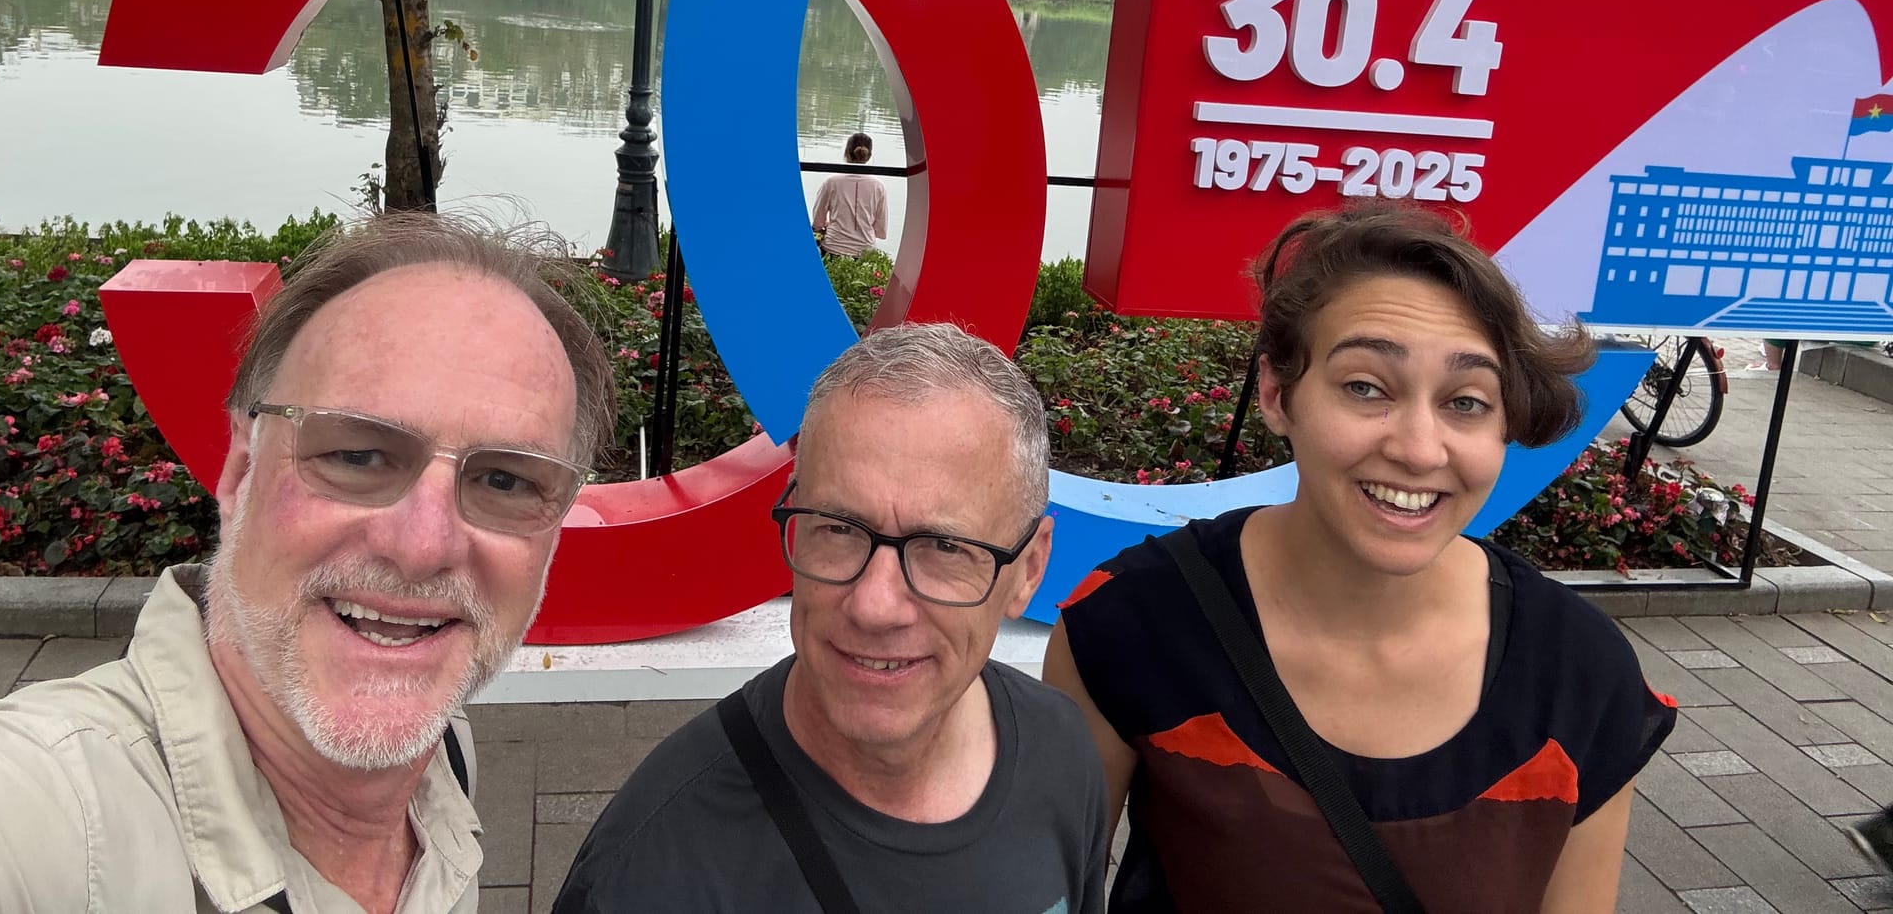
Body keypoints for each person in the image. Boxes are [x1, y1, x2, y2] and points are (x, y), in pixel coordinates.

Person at [0, 213, 615, 914]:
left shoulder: (444, 756)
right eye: (357, 455)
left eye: (505, 481)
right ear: (241, 469)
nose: (423, 545)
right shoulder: (13, 821)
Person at [1045, 202, 1674, 914]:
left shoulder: (1579, 671)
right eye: (1365, 387)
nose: (1418, 449)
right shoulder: (1133, 622)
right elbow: (1053, 888)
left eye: (1466, 402)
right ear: (1278, 395)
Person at [554, 322, 1108, 913]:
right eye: (840, 530)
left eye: (944, 547)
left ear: (1028, 570)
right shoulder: (651, 875)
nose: (874, 605)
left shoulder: (1063, 753)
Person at [813, 131, 890, 259]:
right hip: (865, 252)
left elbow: (817, 223)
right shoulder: (879, 186)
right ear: (869, 156)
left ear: (846, 153)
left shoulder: (831, 182)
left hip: (833, 249)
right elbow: (881, 230)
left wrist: (829, 224)